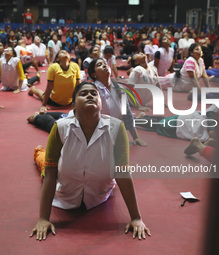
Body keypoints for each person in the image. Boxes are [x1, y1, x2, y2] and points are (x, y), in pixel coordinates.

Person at [30, 81, 151, 240]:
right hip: (64, 191)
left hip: (99, 195)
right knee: (44, 165)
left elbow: (122, 173)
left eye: (94, 93)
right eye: (83, 93)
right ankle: (38, 151)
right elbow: (52, 173)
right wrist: (43, 219)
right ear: (73, 105)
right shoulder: (60, 127)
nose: (90, 95)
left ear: (101, 104)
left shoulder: (117, 128)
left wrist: (136, 217)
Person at [88, 58, 147, 146]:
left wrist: (136, 137)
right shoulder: (92, 90)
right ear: (94, 74)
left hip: (113, 133)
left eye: (105, 63)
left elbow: (127, 114)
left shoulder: (119, 88)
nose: (104, 65)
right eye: (99, 65)